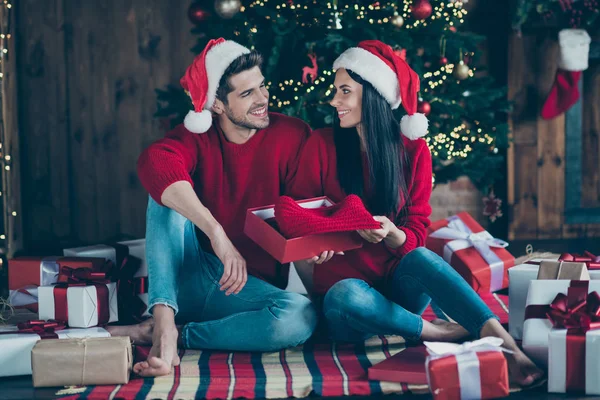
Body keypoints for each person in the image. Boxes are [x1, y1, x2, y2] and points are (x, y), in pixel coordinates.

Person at [290, 40, 543, 387]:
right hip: (347, 301)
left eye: (344, 91)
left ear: (374, 95)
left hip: (399, 286)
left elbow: (418, 227)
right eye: (335, 90)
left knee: (422, 256)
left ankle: (507, 346)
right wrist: (321, 243)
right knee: (344, 295)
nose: (334, 101)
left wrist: (395, 235)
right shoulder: (320, 144)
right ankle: (433, 331)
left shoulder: (413, 149)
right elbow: (300, 220)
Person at [108, 38, 317, 377]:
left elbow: (301, 215)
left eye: (261, 86)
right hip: (190, 272)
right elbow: (154, 162)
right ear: (217, 105)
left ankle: (176, 334)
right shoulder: (197, 136)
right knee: (165, 192)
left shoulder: (293, 136)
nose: (263, 99)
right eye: (247, 94)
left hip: (247, 290)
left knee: (301, 316)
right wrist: (217, 233)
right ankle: (163, 323)